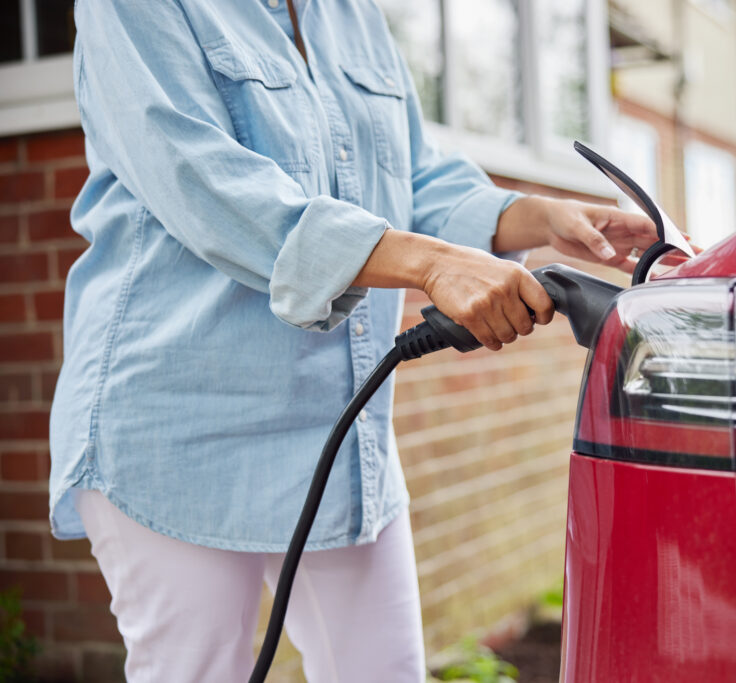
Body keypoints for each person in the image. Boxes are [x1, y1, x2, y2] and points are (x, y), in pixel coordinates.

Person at [49, 1, 658, 680]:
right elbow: (209, 187)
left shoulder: (349, 13)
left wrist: (537, 216)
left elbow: (411, 173)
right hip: (177, 426)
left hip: (337, 430)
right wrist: (431, 263)